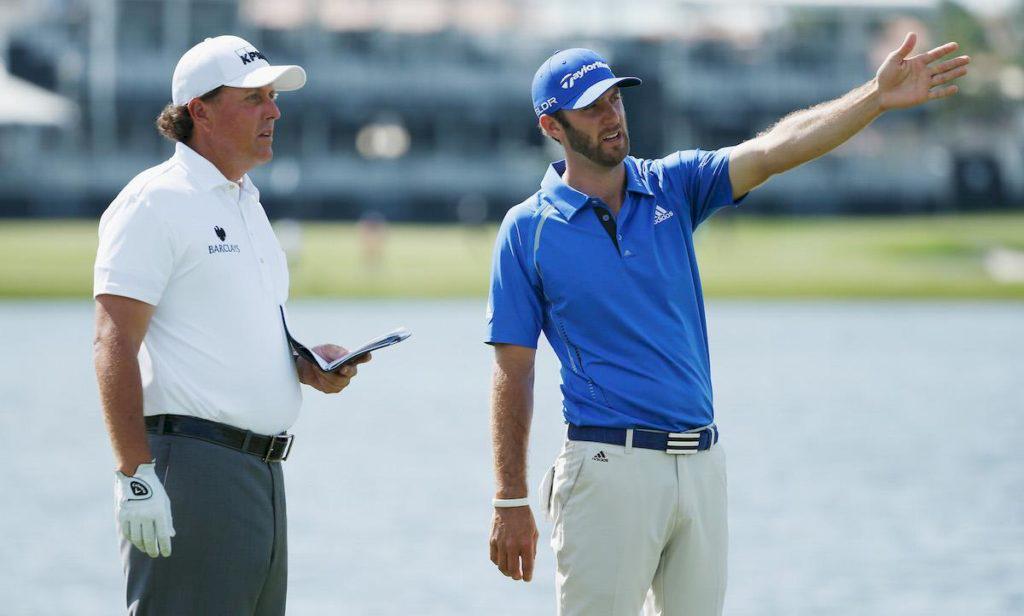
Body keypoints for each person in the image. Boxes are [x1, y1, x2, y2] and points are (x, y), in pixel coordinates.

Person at [486, 36, 968, 616]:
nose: (612, 116)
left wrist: (874, 97)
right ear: (552, 126)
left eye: (615, 99)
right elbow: (513, 370)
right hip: (608, 468)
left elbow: (772, 151)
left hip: (701, 465)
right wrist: (509, 499)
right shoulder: (528, 230)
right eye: (591, 108)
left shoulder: (672, 184)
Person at [92, 35, 369, 615]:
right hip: (192, 470)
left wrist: (304, 364)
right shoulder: (155, 201)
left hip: (262, 476)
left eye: (273, 97)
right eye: (253, 99)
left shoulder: (244, 201)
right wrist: (135, 476)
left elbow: (230, 327)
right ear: (200, 111)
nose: (274, 112)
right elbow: (113, 343)